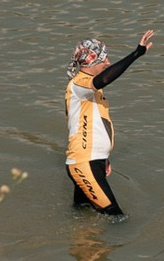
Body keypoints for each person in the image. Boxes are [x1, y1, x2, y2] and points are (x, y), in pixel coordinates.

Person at [65, 29, 155, 214]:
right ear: (91, 61)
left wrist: (103, 157)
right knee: (116, 218)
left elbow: (94, 124)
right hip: (84, 163)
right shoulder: (79, 83)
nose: (108, 63)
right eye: (104, 59)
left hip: (91, 162)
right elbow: (105, 79)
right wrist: (136, 53)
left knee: (82, 215)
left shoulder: (89, 90)